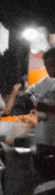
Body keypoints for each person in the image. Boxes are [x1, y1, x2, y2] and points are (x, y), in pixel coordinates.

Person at [24, 49, 55, 183]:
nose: (49, 69)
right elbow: (28, 91)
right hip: (42, 141)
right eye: (47, 66)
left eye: (52, 65)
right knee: (44, 179)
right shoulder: (45, 82)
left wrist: (46, 107)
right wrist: (27, 96)